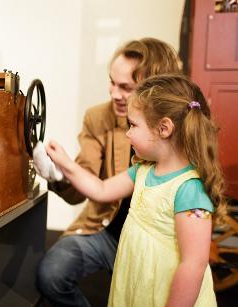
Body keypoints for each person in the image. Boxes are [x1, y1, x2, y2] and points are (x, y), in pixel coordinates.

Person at [45, 74, 227, 306]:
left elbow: (193, 265)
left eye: (133, 125)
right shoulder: (142, 171)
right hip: (138, 282)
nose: (127, 133)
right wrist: (66, 164)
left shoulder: (189, 190)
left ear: (164, 128)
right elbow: (100, 190)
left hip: (164, 293)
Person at [35, 38, 182, 307]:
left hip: (151, 246)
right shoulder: (98, 119)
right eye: (112, 82)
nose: (114, 93)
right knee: (51, 275)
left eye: (126, 87)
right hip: (103, 230)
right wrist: (59, 172)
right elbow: (95, 186)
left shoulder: (179, 145)